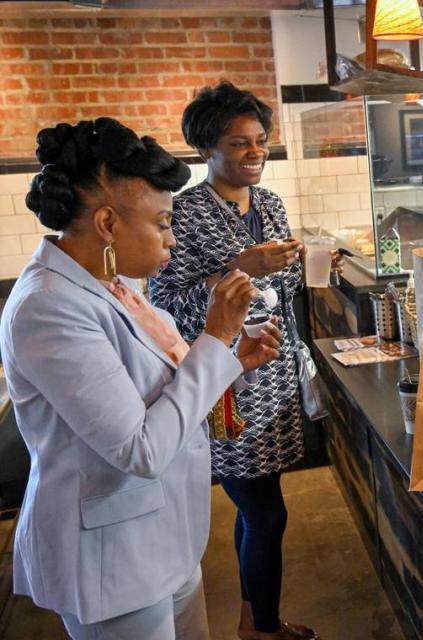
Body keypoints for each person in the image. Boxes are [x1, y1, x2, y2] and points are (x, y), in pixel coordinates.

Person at [0, 117, 280, 639]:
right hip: (109, 559)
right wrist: (215, 339)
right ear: (107, 223)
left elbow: (160, 391)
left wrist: (234, 362)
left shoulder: (115, 285)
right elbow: (140, 449)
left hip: (163, 535)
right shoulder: (48, 308)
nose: (171, 239)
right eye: (162, 224)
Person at [150, 81, 320, 640]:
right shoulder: (184, 213)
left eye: (261, 141)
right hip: (226, 386)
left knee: (258, 513)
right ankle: (263, 630)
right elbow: (166, 305)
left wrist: (296, 265)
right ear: (207, 150)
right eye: (240, 143)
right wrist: (237, 269)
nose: (255, 153)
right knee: (266, 513)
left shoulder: (269, 203)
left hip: (277, 380)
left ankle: (255, 621)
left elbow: (288, 282)